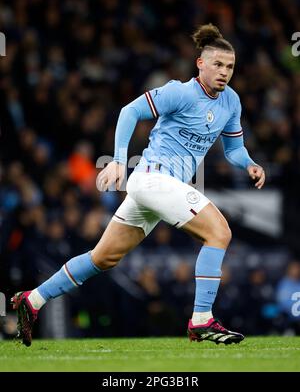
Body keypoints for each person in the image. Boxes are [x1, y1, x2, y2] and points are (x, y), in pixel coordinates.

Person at [12, 23, 265, 346]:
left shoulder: (231, 101)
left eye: (230, 66)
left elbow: (233, 150)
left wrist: (250, 164)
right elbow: (129, 111)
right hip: (153, 179)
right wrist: (118, 159)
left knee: (102, 258)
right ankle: (202, 320)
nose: (224, 72)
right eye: (217, 64)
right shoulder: (179, 91)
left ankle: (32, 300)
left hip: (159, 188)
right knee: (219, 232)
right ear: (200, 63)